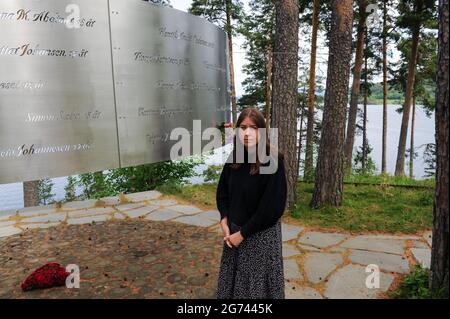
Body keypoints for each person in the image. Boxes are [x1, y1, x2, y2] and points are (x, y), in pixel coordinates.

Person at [215, 107, 287, 299]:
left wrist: (243, 234)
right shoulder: (236, 157)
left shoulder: (272, 161)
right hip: (234, 234)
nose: (247, 133)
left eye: (253, 127)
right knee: (231, 288)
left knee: (254, 291)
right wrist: (224, 218)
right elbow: (222, 192)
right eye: (243, 127)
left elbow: (271, 209)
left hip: (259, 237)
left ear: (262, 131)